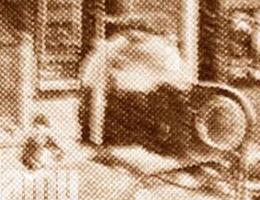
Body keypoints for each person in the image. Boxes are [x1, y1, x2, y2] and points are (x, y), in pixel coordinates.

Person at [79, 16, 191, 146]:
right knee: (101, 108)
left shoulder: (154, 45)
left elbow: (169, 73)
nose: (133, 35)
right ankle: (96, 139)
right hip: (99, 83)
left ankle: (98, 139)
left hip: (160, 87)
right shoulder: (124, 42)